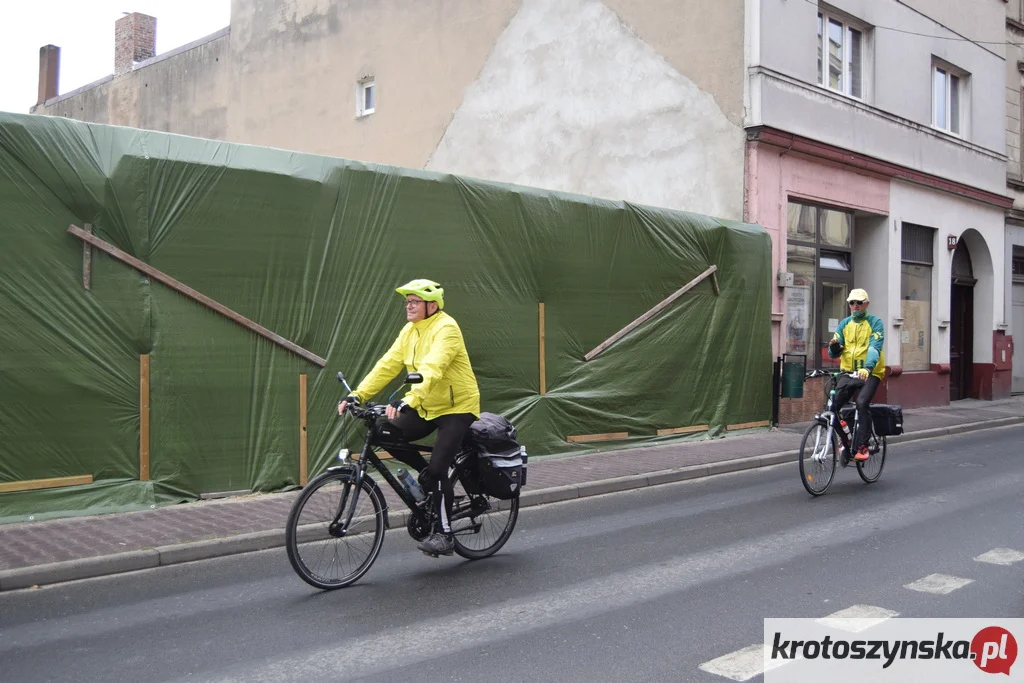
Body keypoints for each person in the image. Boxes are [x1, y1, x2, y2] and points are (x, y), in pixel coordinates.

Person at [338, 279, 480, 557]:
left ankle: (445, 535)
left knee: (439, 470)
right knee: (383, 431)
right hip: (427, 404)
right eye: (407, 302)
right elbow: (388, 364)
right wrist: (358, 395)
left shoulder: (447, 328)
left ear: (432, 305)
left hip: (457, 406)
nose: (409, 306)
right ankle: (426, 475)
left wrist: (408, 400)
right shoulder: (409, 331)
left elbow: (432, 368)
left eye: (414, 302)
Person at [827, 288, 886, 461]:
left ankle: (863, 445)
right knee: (832, 407)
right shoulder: (844, 324)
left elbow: (875, 347)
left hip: (870, 372)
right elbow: (833, 353)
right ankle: (846, 438)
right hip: (848, 371)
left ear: (866, 304)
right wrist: (834, 347)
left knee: (861, 403)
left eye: (859, 303)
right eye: (852, 303)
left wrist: (867, 368)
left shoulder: (875, 323)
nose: (855, 306)